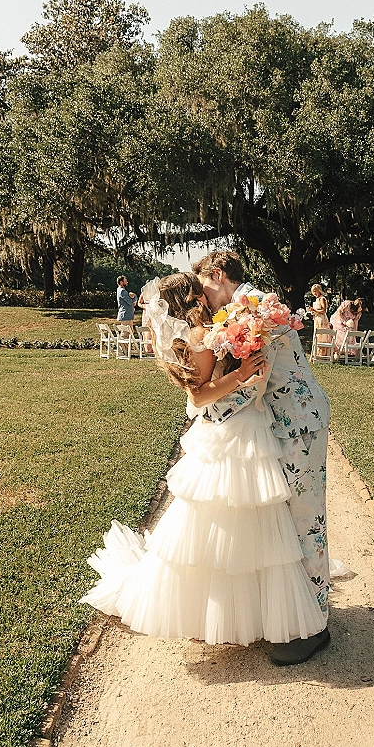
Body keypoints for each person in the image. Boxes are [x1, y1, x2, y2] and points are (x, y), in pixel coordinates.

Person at [81, 272, 327, 656]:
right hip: (231, 430)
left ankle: (251, 613)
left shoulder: (209, 329)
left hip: (242, 427)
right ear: (191, 297)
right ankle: (251, 614)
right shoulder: (198, 335)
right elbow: (199, 396)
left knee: (238, 526)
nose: (206, 295)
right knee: (237, 523)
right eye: (198, 289)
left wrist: (240, 375)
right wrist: (242, 376)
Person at [193, 251, 331, 665]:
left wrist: (206, 410)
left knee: (307, 522)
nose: (203, 300)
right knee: (291, 521)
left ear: (217, 276)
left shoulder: (255, 313)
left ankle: (315, 628)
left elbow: (255, 380)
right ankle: (296, 615)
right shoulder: (250, 306)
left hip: (298, 425)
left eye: (203, 287)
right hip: (291, 423)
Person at [307, 284, 330, 358]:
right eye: (313, 292)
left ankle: (323, 353)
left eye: (315, 291)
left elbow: (323, 310)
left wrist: (314, 310)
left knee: (322, 335)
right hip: (317, 318)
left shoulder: (322, 298)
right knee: (317, 335)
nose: (314, 293)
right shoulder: (317, 299)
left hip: (322, 319)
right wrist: (313, 312)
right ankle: (317, 353)